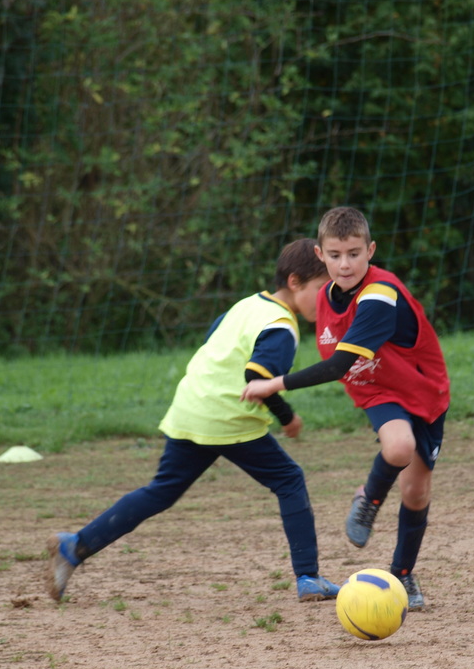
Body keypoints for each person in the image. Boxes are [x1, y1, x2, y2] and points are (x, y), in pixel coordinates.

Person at [45, 238, 340, 603]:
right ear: (295, 282)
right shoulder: (282, 326)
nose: (326, 298)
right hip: (228, 419)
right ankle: (308, 577)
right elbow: (257, 377)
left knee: (161, 491)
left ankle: (75, 546)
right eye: (322, 288)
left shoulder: (248, 304)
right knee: (289, 479)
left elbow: (212, 339)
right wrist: (287, 416)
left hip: (192, 407)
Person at [241, 207, 449, 610]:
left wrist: (273, 383)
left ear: (370, 250)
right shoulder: (324, 296)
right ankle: (370, 499)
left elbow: (338, 364)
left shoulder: (379, 295)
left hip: (424, 392)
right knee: (398, 447)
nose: (345, 264)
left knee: (416, 491)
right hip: (377, 389)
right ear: (320, 255)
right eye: (335, 255)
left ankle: (403, 573)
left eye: (354, 254)